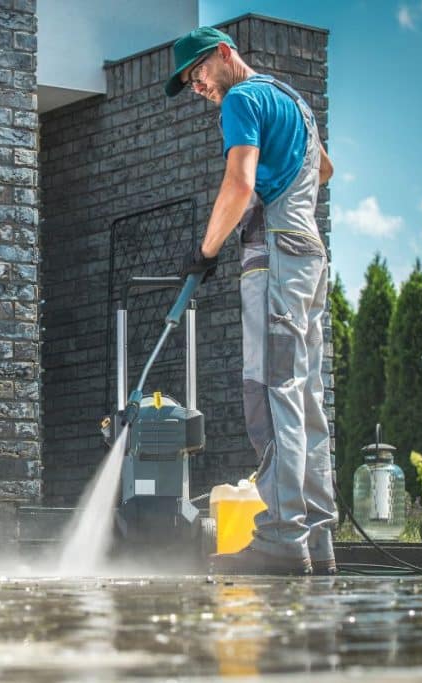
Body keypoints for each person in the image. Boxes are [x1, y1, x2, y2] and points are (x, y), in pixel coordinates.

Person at [166, 27, 336, 575]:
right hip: (309, 253)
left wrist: (205, 250)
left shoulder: (241, 98)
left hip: (277, 258)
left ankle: (283, 537)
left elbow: (238, 185)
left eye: (198, 72)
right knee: (305, 396)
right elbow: (324, 170)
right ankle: (317, 538)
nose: (197, 85)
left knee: (272, 392)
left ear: (223, 53)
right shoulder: (293, 102)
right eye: (191, 82)